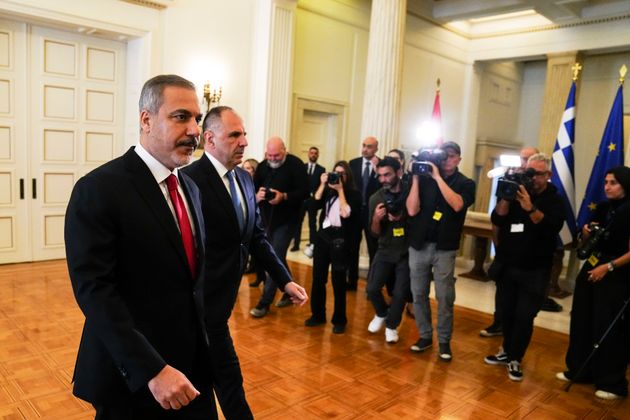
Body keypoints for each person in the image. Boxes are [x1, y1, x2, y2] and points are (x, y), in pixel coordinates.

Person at [64, 74, 215, 418]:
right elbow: (95, 292)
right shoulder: (99, 189)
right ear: (146, 119)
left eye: (197, 118)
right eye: (181, 117)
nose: (195, 130)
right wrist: (152, 369)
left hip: (193, 370)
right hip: (132, 378)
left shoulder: (190, 188)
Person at [183, 106, 308, 417]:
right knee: (205, 388)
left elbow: (256, 238)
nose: (244, 142)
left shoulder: (244, 179)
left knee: (229, 382)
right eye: (235, 135)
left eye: (245, 134)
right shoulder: (187, 181)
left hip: (221, 307)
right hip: (192, 311)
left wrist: (285, 280)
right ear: (209, 139)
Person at [484, 153, 564, 382]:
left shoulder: (553, 199)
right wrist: (507, 196)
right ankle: (506, 351)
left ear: (548, 175)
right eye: (529, 172)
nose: (533, 178)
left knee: (524, 316)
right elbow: (498, 219)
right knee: (506, 312)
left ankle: (516, 358)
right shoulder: (518, 190)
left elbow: (551, 227)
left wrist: (529, 207)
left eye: (537, 174)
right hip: (509, 265)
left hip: (535, 269)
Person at [556, 166, 630, 400]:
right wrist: (587, 232)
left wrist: (608, 267)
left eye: (613, 183)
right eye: (606, 182)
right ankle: (580, 369)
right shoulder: (604, 207)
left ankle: (611, 381)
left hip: (617, 272)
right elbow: (586, 240)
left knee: (608, 326)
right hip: (593, 266)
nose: (607, 186)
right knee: (582, 318)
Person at [406, 141, 476, 361]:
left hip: (445, 247)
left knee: (445, 297)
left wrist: (437, 177)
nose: (446, 159)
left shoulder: (466, 183)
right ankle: (425, 335)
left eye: (451, 156)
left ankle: (444, 341)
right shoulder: (423, 178)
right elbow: (411, 209)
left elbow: (457, 205)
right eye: (443, 155)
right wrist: (417, 177)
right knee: (418, 294)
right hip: (419, 244)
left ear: (459, 159)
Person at [480, 146, 538, 337]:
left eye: (527, 160)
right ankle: (499, 322)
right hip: (506, 248)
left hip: (528, 253)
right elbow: (497, 217)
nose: (523, 164)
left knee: (521, 299)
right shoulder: (509, 181)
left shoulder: (538, 187)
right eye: (521, 159)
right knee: (502, 290)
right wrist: (497, 245)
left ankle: (514, 330)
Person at [250, 137, 310, 317]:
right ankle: (287, 289)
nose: (273, 158)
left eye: (277, 155)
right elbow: (252, 190)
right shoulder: (262, 166)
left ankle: (264, 303)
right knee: (278, 257)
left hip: (288, 220)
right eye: (270, 155)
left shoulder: (296, 165)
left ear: (285, 150)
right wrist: (258, 195)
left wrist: (283, 196)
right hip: (266, 220)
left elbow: (305, 192)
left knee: (274, 255)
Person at [304, 161, 361, 334]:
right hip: (323, 239)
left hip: (340, 241)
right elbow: (313, 205)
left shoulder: (354, 194)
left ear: (347, 176)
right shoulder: (327, 192)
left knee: (338, 282)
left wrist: (340, 190)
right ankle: (318, 315)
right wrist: (322, 184)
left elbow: (346, 213)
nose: (338, 176)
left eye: (342, 173)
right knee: (318, 279)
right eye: (335, 173)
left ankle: (339, 320)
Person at [366, 157, 410, 344]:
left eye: (387, 174)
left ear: (398, 172)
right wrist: (377, 218)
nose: (383, 179)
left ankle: (392, 326)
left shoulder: (410, 192)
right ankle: (382, 313)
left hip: (407, 251)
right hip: (385, 248)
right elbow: (374, 233)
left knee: (400, 294)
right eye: (380, 175)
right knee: (372, 289)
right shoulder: (376, 198)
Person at [348, 136, 381, 290]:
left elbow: (384, 186)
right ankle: (351, 282)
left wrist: (376, 170)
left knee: (373, 249)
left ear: (376, 148)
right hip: (355, 213)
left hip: (372, 214)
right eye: (363, 145)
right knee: (352, 248)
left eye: (369, 146)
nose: (365, 149)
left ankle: (372, 285)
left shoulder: (381, 165)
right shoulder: (353, 163)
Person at [292, 146, 325, 255]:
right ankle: (296, 245)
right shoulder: (302, 167)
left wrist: (314, 195)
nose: (313, 155)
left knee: (312, 223)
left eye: (315, 153)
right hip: (301, 200)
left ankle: (312, 245)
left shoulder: (321, 169)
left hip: (313, 201)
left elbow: (322, 185)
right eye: (311, 153)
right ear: (308, 154)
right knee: (297, 223)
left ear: (318, 155)